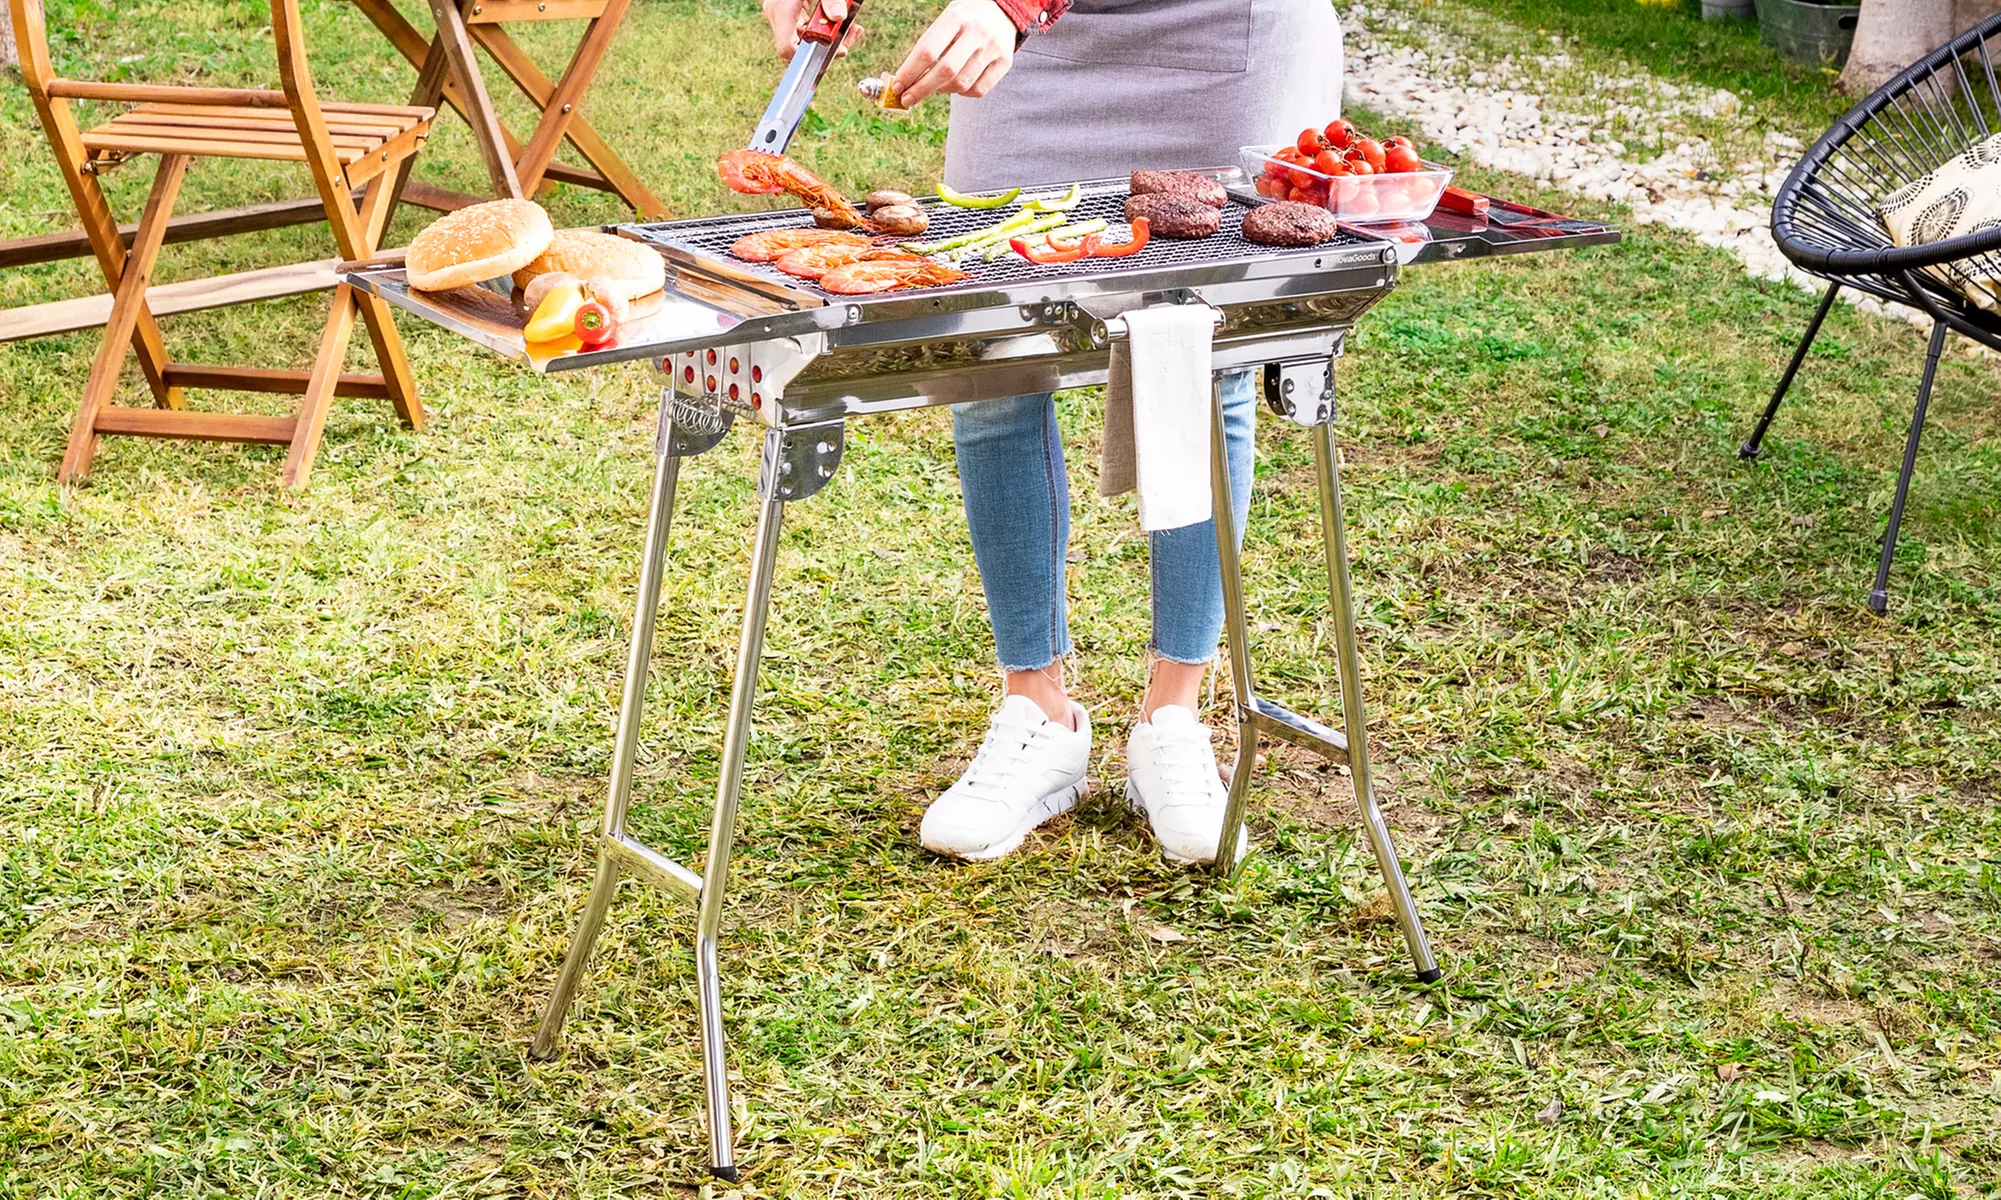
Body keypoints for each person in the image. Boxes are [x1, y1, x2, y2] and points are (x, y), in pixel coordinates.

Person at [763, 0, 1344, 864]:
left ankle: (1172, 718)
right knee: (990, 358)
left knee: (1205, 357)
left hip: (1226, 35)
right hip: (1035, 58)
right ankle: (1038, 716)